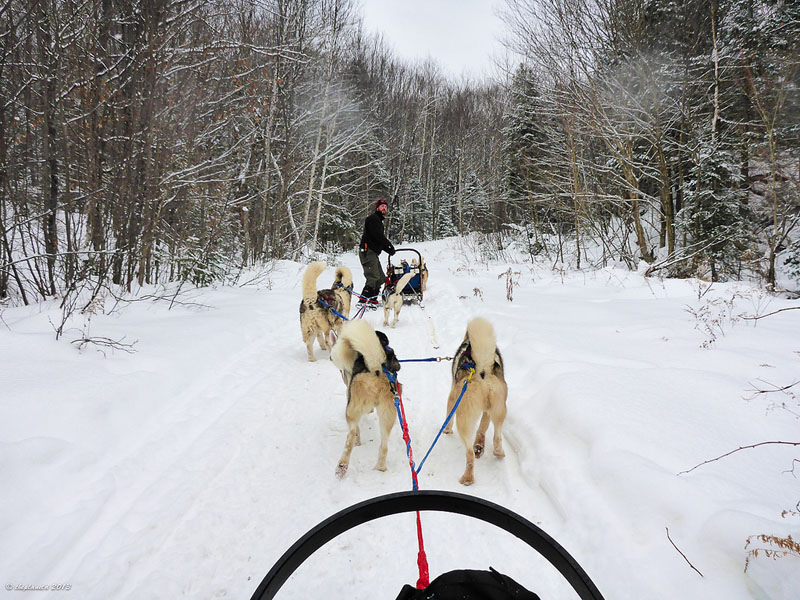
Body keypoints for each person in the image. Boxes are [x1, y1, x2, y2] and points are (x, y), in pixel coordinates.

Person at [358, 198, 395, 307]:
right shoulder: (372, 219)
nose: (384, 208)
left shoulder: (378, 221)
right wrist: (389, 247)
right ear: (377, 208)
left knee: (381, 278)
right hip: (367, 251)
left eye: (385, 206)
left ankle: (373, 298)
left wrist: (388, 248)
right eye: (382, 206)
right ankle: (364, 301)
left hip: (373, 252)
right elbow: (378, 237)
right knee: (373, 276)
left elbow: (378, 239)